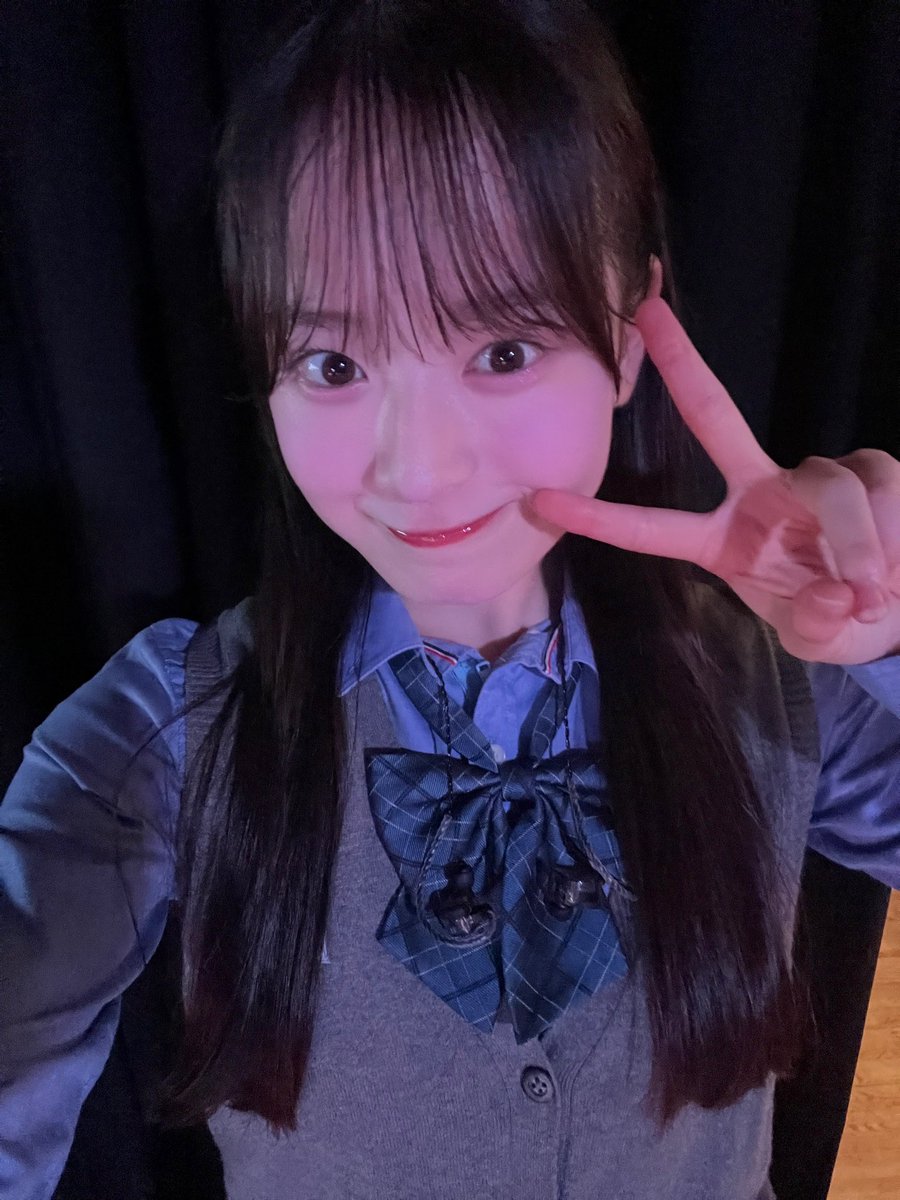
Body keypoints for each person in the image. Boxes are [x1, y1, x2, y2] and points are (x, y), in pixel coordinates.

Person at [1, 2, 898, 1197]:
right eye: (333, 364)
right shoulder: (165, 735)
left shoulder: (778, 682)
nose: (417, 469)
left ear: (631, 338)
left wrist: (889, 635)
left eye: (503, 351)